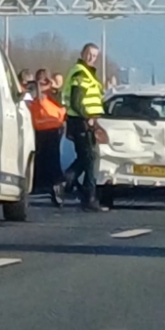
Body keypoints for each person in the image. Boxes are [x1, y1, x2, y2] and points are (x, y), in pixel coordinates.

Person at [62, 43, 106, 212]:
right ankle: (87, 195)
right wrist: (88, 117)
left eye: (94, 55)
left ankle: (68, 184)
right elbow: (76, 100)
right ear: (82, 53)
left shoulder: (88, 73)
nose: (91, 58)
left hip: (86, 121)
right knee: (90, 158)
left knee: (87, 158)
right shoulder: (80, 73)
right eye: (89, 54)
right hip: (81, 121)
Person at [28, 68, 67, 206]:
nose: (41, 83)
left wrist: (50, 86)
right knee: (40, 160)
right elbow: (34, 97)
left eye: (44, 80)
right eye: (39, 80)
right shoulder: (35, 92)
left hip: (54, 130)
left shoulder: (54, 93)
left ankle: (56, 187)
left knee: (52, 161)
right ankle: (41, 186)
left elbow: (60, 102)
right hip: (39, 131)